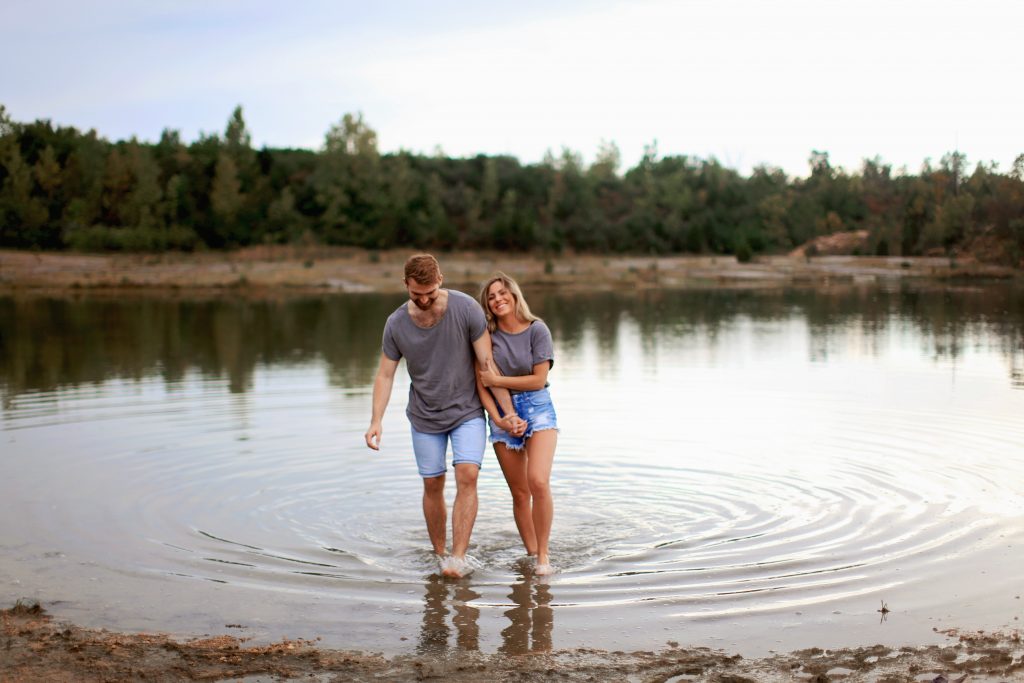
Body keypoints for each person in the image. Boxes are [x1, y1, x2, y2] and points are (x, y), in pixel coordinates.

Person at [365, 254, 524, 579]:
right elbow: (384, 375)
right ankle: (439, 554)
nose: (423, 300)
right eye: (415, 294)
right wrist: (376, 420)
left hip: (466, 410)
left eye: (429, 293)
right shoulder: (396, 324)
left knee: (468, 475)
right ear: (405, 284)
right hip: (424, 416)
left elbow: (487, 366)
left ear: (440, 280)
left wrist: (507, 414)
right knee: (433, 483)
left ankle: (458, 558)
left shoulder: (466, 309)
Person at [476, 273, 559, 575]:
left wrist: (499, 379)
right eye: (491, 297)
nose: (498, 300)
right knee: (520, 493)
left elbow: (539, 379)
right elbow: (481, 384)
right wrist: (499, 418)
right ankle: (532, 552)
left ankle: (544, 558)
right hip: (501, 413)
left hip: (538, 407)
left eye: (502, 293)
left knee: (538, 481)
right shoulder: (486, 336)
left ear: (514, 295)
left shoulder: (538, 330)